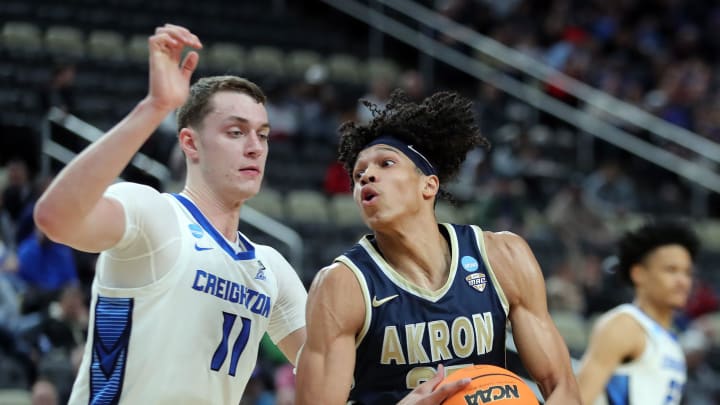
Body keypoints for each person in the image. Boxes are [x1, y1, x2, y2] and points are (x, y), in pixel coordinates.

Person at [32, 24, 308, 404]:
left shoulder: (271, 268)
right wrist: (155, 107)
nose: (255, 147)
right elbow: (55, 217)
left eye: (262, 134)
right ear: (190, 143)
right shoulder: (155, 216)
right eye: (235, 132)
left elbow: (330, 372)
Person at [295, 90, 581, 404]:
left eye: (386, 163)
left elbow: (563, 387)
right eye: (358, 174)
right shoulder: (341, 285)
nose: (367, 176)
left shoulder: (503, 257)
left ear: (429, 185)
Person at [576, 220, 699, 405]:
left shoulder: (672, 343)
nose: (683, 281)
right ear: (638, 274)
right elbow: (575, 399)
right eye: (671, 270)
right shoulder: (625, 325)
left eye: (687, 273)